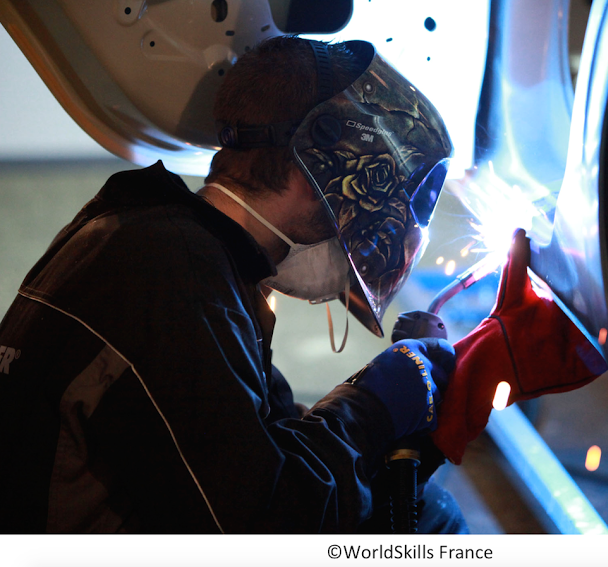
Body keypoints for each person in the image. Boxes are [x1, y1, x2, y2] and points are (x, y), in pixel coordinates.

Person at [0, 36, 465, 533]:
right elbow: (269, 525)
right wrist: (376, 403)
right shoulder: (171, 276)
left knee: (423, 513)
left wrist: (407, 428)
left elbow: (274, 446)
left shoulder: (176, 252)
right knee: (433, 526)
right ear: (317, 168)